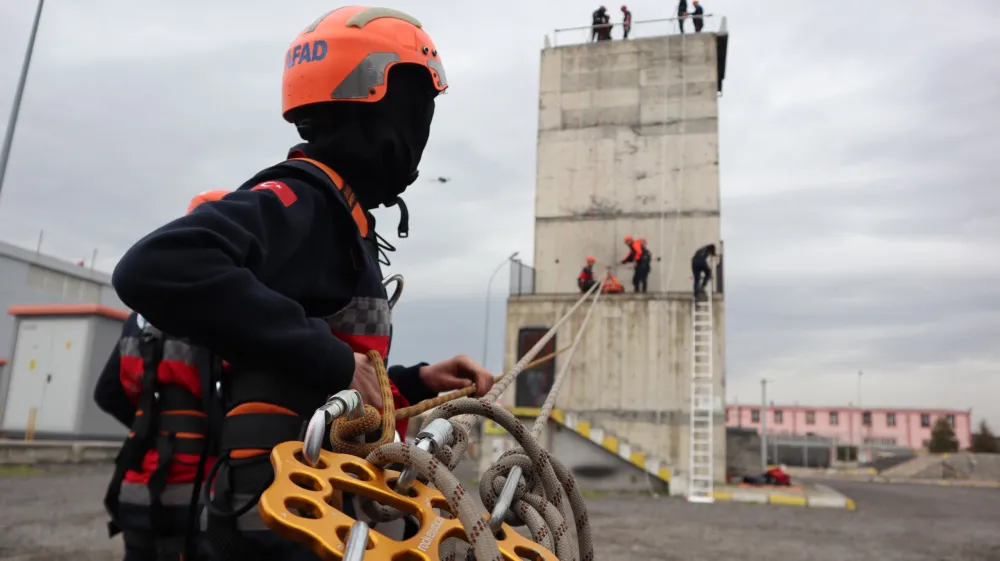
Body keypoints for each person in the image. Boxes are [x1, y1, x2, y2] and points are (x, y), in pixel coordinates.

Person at [110, 7, 494, 561]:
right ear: (373, 98)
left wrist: (415, 381)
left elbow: (315, 370)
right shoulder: (302, 204)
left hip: (322, 511)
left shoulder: (339, 216)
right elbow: (154, 266)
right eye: (416, 109)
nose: (421, 130)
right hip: (286, 524)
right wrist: (337, 365)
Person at [95, 190, 230, 561]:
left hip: (137, 487)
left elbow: (107, 393)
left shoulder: (139, 314)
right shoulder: (227, 312)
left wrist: (151, 423)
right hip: (199, 493)